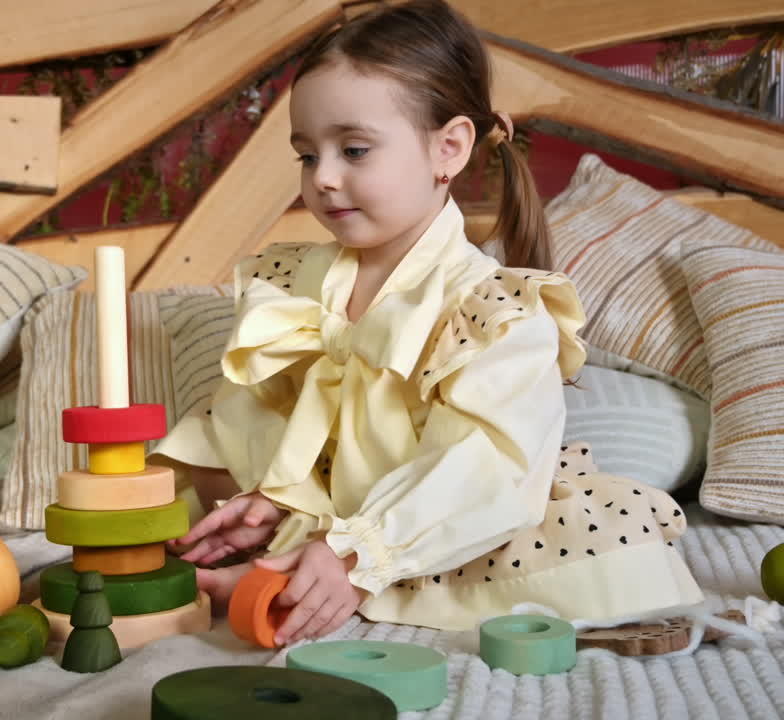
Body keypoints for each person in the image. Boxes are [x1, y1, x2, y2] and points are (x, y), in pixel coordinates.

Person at [150, 0, 703, 647]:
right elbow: (263, 423)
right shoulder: (290, 283)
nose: (323, 178)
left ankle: (344, 569)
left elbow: (483, 468)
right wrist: (271, 501)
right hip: (332, 510)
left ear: (449, 148)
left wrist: (362, 553)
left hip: (444, 520)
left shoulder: (493, 312)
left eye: (354, 149)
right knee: (184, 499)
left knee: (552, 536)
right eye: (306, 155)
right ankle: (285, 560)